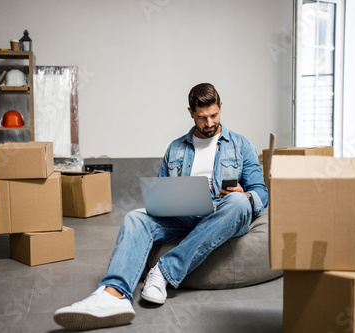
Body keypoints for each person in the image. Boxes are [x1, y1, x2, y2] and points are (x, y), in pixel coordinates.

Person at [54, 83, 268, 331]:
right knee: (136, 217)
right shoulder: (176, 148)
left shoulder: (241, 145)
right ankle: (113, 294)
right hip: (185, 216)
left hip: (225, 213)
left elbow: (261, 191)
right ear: (191, 113)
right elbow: (162, 192)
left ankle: (164, 271)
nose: (209, 123)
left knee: (239, 202)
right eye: (202, 118)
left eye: (214, 115)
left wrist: (245, 194)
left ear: (221, 108)